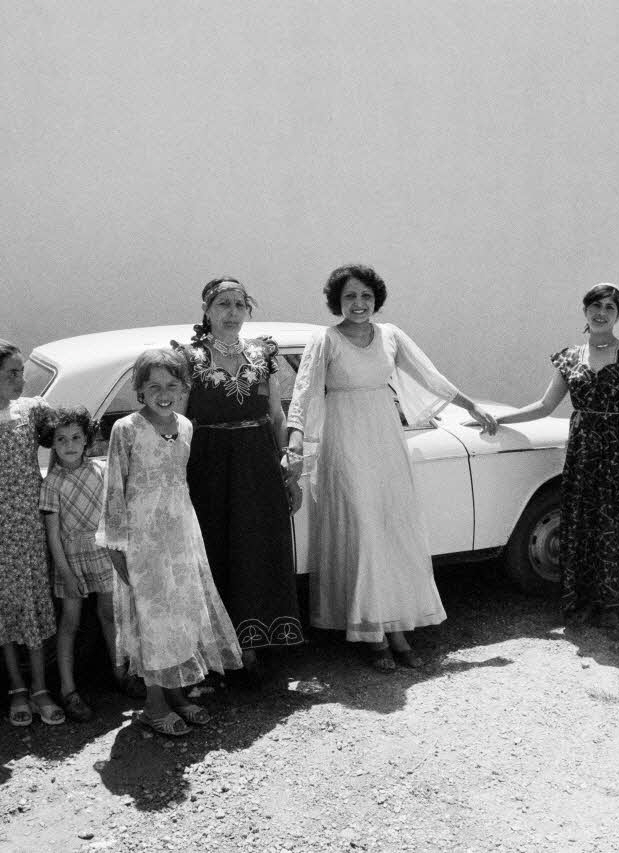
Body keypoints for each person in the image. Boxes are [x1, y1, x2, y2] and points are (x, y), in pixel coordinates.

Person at [284, 264, 498, 671]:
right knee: (363, 529)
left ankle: (397, 627)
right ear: (337, 301)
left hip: (385, 439)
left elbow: (430, 377)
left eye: (365, 296)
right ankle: (374, 634)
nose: (359, 304)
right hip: (344, 443)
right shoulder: (324, 340)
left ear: (376, 298)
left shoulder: (392, 335)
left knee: (392, 530)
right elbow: (305, 392)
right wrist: (296, 440)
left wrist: (472, 406)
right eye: (350, 297)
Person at [494, 283, 619, 628]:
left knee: (617, 526)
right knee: (583, 527)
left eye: (610, 307)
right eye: (595, 305)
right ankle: (584, 600)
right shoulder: (570, 357)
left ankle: (613, 604)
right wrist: (497, 418)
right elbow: (544, 405)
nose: (602, 313)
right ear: (584, 310)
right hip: (584, 455)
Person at [97, 349, 243, 736]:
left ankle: (178, 694)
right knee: (153, 619)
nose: (164, 393)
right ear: (140, 390)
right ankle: (154, 704)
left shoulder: (186, 425)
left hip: (180, 532)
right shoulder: (126, 429)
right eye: (154, 386)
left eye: (172, 386)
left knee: (182, 612)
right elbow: (114, 488)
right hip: (142, 538)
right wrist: (115, 544)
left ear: (184, 388)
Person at [173, 278, 304, 680]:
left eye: (239, 304)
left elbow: (277, 415)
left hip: (259, 465)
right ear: (207, 310)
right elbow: (177, 421)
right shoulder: (189, 358)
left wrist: (289, 466)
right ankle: (219, 649)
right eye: (222, 304)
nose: (232, 312)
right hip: (208, 467)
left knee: (257, 547)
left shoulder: (263, 354)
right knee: (216, 551)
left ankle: (255, 643)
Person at [0, 338, 65, 727]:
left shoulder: (32, 410)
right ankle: (16, 687)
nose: (20, 380)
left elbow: (69, 438)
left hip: (34, 522)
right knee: (4, 604)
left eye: (22, 372)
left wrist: (54, 484)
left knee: (35, 598)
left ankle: (40, 687)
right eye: (11, 374)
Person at [38, 406, 126, 722]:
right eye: (62, 439)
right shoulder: (51, 483)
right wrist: (64, 571)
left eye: (76, 437)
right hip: (70, 558)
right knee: (70, 623)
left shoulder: (100, 472)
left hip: (102, 551)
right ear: (52, 443)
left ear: (86, 439)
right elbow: (52, 535)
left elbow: (112, 516)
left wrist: (118, 552)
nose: (70, 444)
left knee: (109, 614)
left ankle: (121, 673)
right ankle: (68, 689)